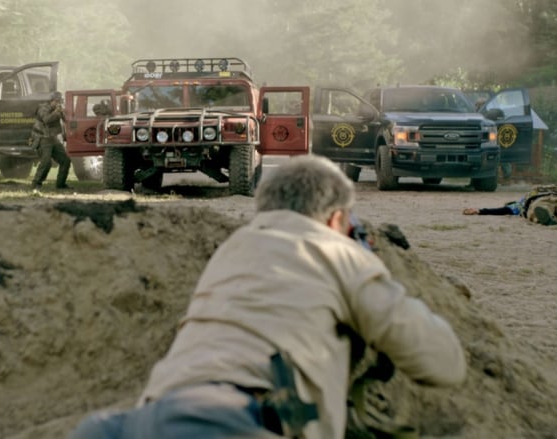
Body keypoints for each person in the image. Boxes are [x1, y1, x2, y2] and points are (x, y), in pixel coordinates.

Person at [68, 155, 466, 439]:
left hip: (132, 423)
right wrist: (365, 262)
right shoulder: (338, 252)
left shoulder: (234, 247)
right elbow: (443, 363)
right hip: (236, 420)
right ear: (336, 219)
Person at [29, 91, 71, 190]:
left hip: (52, 138)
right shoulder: (43, 108)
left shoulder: (57, 109)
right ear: (51, 101)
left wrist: (63, 113)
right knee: (46, 162)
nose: (58, 104)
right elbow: (46, 120)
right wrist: (56, 112)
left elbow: (66, 121)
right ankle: (36, 184)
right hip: (42, 138)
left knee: (65, 160)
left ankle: (61, 184)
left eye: (60, 102)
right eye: (57, 102)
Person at [463, 184, 557, 226]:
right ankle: (549, 219)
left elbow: (502, 210)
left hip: (542, 200)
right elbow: (503, 210)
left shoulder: (519, 205)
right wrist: (480, 211)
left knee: (536, 210)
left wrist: (480, 211)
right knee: (538, 209)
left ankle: (549, 219)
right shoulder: (519, 206)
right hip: (544, 201)